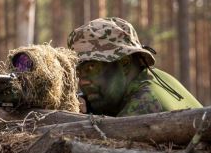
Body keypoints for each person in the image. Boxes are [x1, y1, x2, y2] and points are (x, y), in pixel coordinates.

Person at [67, 17, 202, 117]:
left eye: (91, 68)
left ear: (125, 63)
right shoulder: (157, 78)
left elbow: (103, 149)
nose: (82, 81)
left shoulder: (145, 103)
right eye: (78, 73)